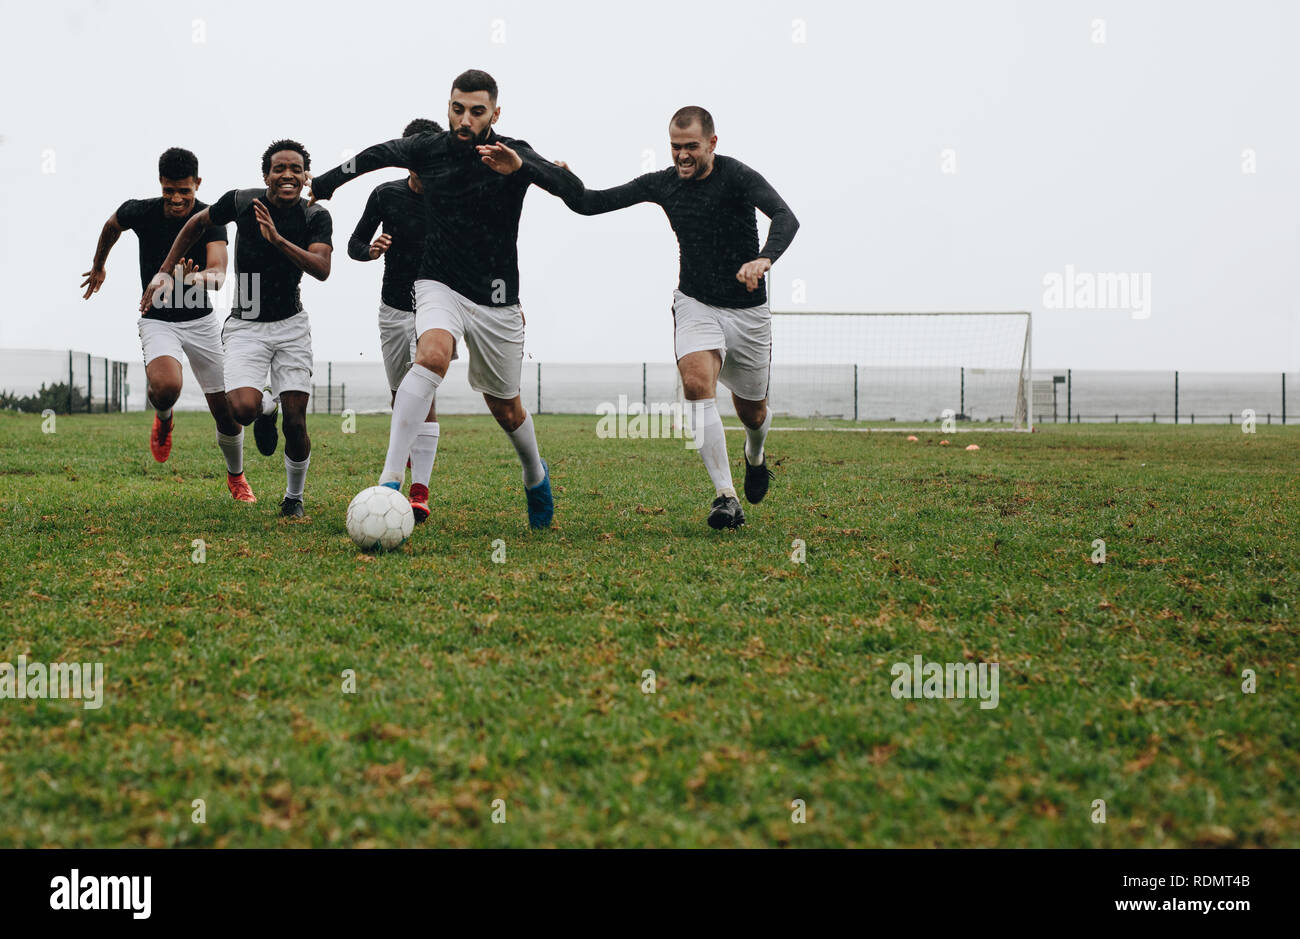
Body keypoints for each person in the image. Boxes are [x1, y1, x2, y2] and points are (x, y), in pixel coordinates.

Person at [311, 69, 582, 530]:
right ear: (448, 106)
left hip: (496, 299)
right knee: (431, 355)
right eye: (458, 108)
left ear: (495, 113)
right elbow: (376, 155)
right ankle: (391, 481)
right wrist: (329, 181)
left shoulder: (513, 152)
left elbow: (577, 196)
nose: (465, 119)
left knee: (506, 405)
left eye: (477, 111)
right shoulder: (428, 148)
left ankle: (535, 474)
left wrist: (526, 169)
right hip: (439, 282)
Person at [560, 106, 799, 529]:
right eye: (675, 146)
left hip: (749, 312)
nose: (682, 155)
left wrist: (764, 259)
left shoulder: (738, 176)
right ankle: (726, 496)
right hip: (696, 303)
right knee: (694, 384)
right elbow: (590, 202)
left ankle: (755, 455)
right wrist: (555, 176)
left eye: (691, 146)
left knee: (753, 413)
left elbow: (786, 217)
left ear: (712, 143)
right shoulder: (663, 184)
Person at [142, 140, 332, 518]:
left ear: (305, 174)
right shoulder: (243, 202)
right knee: (241, 410)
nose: (287, 175)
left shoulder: (315, 215)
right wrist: (165, 270)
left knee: (296, 424)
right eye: (279, 168)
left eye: (296, 168)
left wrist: (277, 240)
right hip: (246, 323)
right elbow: (197, 223)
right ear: (267, 176)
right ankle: (265, 407)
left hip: (291, 325)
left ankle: (293, 498)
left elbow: (322, 268)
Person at [82, 147, 255, 500]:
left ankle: (236, 478)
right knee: (166, 388)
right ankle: (164, 417)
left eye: (185, 191)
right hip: (158, 320)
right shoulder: (141, 211)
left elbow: (219, 273)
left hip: (201, 322)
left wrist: (193, 279)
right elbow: (112, 225)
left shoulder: (211, 217)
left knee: (227, 414)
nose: (176, 199)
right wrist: (99, 265)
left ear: (198, 184)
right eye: (169, 190)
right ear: (160, 184)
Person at [348, 118, 444, 522]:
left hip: (437, 306)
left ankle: (418, 491)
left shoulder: (452, 197)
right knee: (400, 396)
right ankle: (405, 458)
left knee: (425, 393)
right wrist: (371, 250)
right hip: (393, 308)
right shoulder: (385, 194)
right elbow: (353, 245)